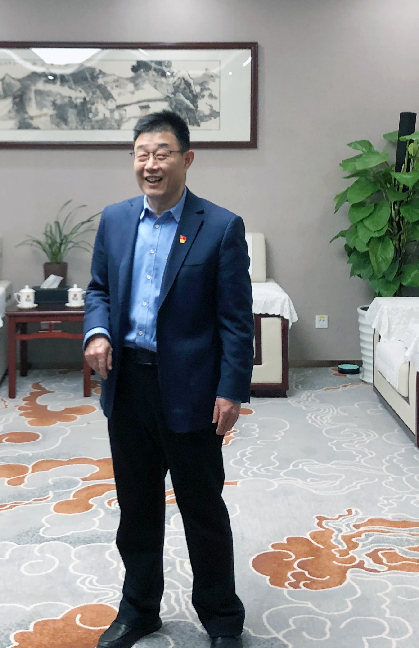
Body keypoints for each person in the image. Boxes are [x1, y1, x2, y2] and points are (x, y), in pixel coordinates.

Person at [83, 110, 254, 648]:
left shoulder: (220, 226)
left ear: (187, 158)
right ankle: (139, 609)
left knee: (202, 509)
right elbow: (98, 290)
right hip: (127, 384)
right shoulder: (115, 220)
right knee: (136, 507)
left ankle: (222, 619)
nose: (150, 165)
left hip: (192, 390)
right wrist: (96, 332)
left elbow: (235, 319)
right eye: (142, 154)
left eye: (162, 153)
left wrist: (231, 390)